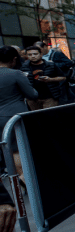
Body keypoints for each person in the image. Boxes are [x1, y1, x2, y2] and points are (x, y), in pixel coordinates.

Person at [0, 45, 38, 208]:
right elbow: (32, 94)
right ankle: (24, 179)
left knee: (9, 149)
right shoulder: (15, 73)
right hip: (15, 115)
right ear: (14, 59)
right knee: (19, 149)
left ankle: (19, 180)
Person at [20, 46, 66, 110]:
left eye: (35, 54)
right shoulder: (24, 67)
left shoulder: (50, 65)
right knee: (37, 117)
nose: (33, 56)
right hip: (32, 98)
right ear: (26, 56)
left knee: (49, 116)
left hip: (50, 96)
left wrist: (50, 79)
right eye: (30, 54)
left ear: (41, 54)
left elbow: (63, 77)